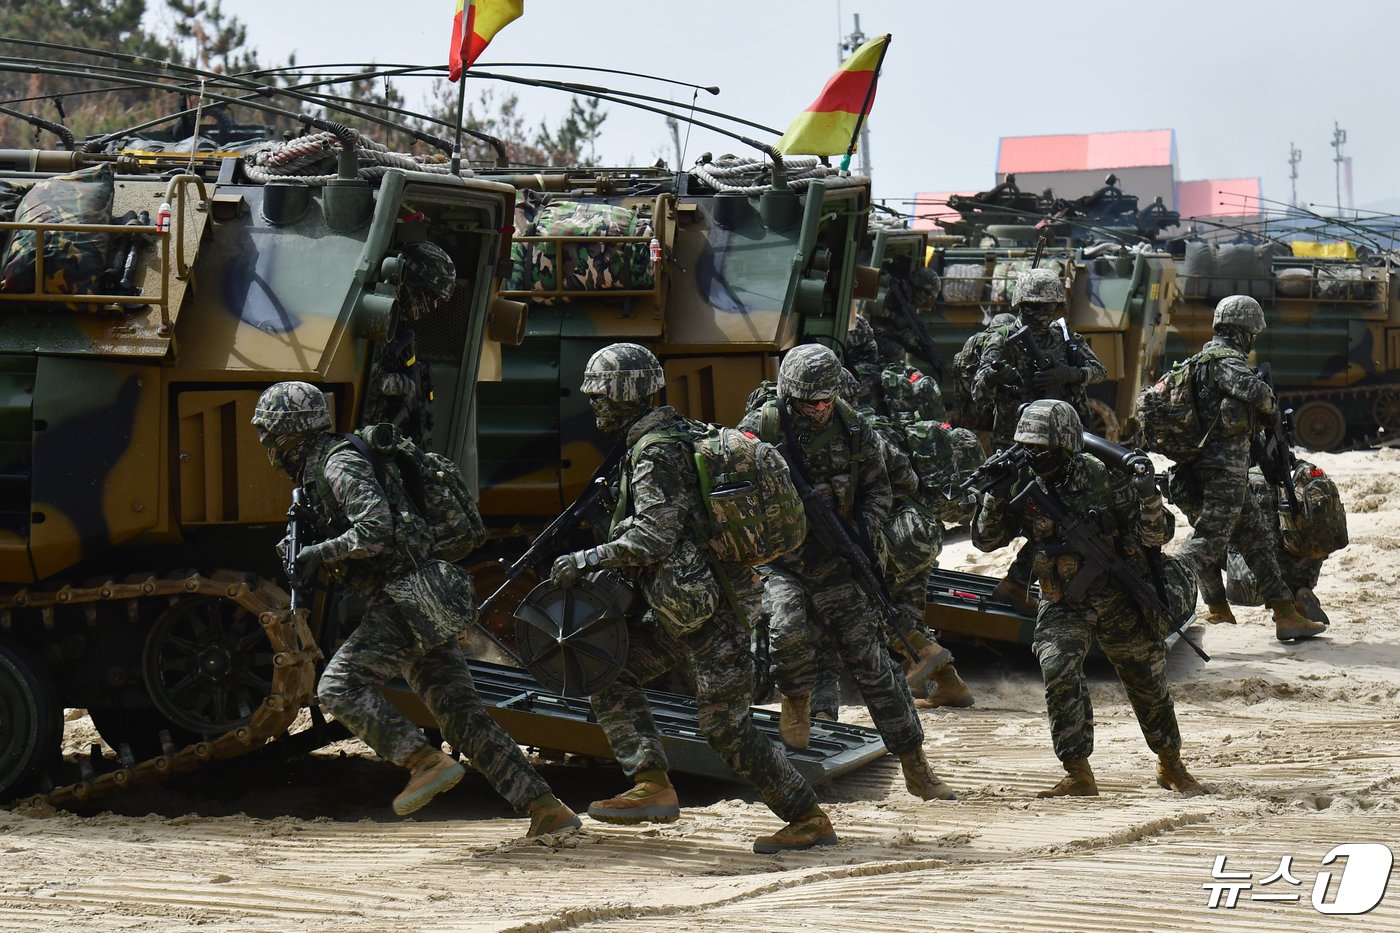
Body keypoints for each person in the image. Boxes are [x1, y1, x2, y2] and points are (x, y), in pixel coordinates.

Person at [252, 381, 580, 836]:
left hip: (408, 598)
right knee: (461, 716)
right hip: (419, 596)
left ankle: (422, 761)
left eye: (267, 432)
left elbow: (375, 530)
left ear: (285, 432)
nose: (266, 442)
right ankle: (548, 809)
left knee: (339, 686)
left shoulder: (338, 463)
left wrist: (320, 553)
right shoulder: (322, 469)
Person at [549, 343, 836, 854]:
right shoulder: (667, 437)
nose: (595, 406)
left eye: (601, 396)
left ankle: (807, 817)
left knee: (725, 728)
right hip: (682, 608)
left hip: (712, 613)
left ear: (625, 395)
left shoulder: (656, 450)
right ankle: (652, 783)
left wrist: (587, 559)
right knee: (608, 669)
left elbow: (654, 537)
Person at [739, 344, 957, 802]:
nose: (819, 409)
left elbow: (883, 488)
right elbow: (729, 493)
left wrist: (862, 529)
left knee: (876, 667)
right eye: (809, 401)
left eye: (825, 399)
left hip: (840, 562)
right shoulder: (763, 428)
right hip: (783, 562)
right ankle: (795, 700)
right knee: (786, 629)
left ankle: (916, 766)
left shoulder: (856, 429)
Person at [971, 400, 1205, 798]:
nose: (1033, 455)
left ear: (1065, 445)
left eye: (1042, 447)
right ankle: (1078, 771)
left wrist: (1148, 497)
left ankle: (1170, 764)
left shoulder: (1103, 476)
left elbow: (1159, 535)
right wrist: (992, 497)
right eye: (1027, 445)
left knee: (1144, 679)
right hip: (1062, 599)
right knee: (1059, 668)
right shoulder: (1020, 480)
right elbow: (985, 540)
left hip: (1118, 594)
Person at [1166, 295, 1326, 642]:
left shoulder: (1195, 362)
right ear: (1244, 331)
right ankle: (1162, 588)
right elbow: (1260, 396)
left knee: (1256, 542)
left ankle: (1285, 614)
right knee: (1208, 542)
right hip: (1222, 474)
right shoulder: (1225, 362)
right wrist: (1268, 400)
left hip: (1199, 472)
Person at [972, 269, 1107, 612]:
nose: (1040, 313)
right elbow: (977, 390)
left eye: (1047, 306)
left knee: (1062, 516)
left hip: (1061, 444)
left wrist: (1070, 374)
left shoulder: (1063, 337)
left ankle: (1021, 582)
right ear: (1020, 304)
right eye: (1032, 306)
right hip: (1018, 443)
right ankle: (1020, 581)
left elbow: (1098, 370)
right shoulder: (1003, 337)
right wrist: (995, 376)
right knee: (1037, 516)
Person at [1201, 459, 1347, 625]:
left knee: (1201, 541)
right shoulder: (1300, 478)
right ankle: (1297, 596)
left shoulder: (1243, 480)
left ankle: (1219, 611)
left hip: (1257, 584)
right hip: (1304, 573)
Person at [362, 241, 456, 445]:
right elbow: (366, 381)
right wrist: (404, 385)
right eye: (430, 296)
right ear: (410, 282)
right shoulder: (376, 312)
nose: (433, 305)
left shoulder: (398, 327)